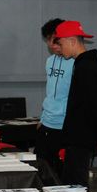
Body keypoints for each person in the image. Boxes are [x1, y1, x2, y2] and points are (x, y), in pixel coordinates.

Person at [56, 20, 97, 186]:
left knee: (75, 185)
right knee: (73, 183)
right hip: (80, 136)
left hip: (80, 138)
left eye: (61, 43)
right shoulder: (86, 65)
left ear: (72, 41)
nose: (60, 48)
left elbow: (96, 104)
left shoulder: (86, 67)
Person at [37, 18, 74, 180]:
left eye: (53, 39)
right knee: (41, 171)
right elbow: (50, 92)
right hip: (47, 123)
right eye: (47, 40)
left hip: (65, 125)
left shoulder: (76, 62)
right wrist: (43, 117)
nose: (51, 44)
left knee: (62, 175)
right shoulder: (49, 61)